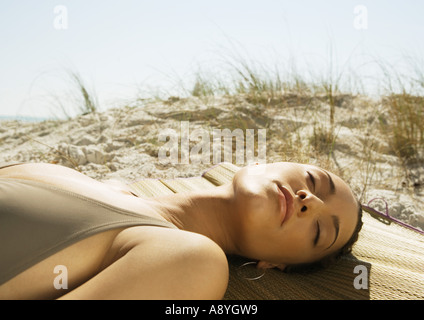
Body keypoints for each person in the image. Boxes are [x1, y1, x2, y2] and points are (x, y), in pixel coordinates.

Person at [0, 161, 362, 300]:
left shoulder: (193, 260)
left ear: (273, 263)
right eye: (315, 180)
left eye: (319, 231)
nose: (309, 200)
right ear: (265, 162)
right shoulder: (106, 184)